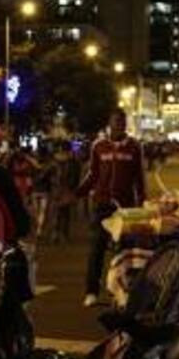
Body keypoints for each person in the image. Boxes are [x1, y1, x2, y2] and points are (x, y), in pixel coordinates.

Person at [76, 108, 146, 307]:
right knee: (96, 248)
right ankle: (91, 291)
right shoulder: (99, 146)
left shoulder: (134, 147)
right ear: (109, 123)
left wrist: (141, 205)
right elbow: (92, 175)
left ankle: (122, 292)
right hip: (102, 205)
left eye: (122, 122)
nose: (119, 125)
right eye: (116, 121)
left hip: (125, 209)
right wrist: (77, 193)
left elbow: (139, 179)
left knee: (125, 251)